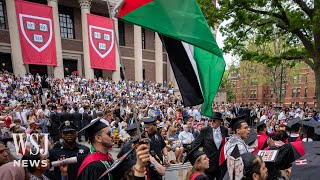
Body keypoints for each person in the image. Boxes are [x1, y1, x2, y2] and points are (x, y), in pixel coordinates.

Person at [77, 118, 151, 180]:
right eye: (109, 134)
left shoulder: (106, 157)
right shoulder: (94, 167)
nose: (112, 136)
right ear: (98, 138)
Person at [192, 112, 229, 180]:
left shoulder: (224, 130)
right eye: (210, 120)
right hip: (209, 165)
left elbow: (226, 145)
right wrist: (201, 155)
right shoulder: (205, 130)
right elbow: (194, 145)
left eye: (214, 121)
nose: (211, 122)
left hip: (221, 165)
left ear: (219, 122)